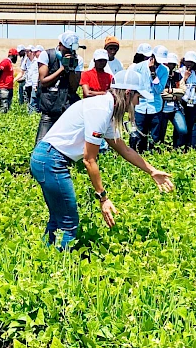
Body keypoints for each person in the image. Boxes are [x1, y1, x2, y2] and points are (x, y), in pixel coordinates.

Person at [30, 69, 174, 250]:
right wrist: (103, 197)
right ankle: (60, 266)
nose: (138, 103)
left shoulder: (107, 108)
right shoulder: (101, 110)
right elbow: (89, 160)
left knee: (58, 218)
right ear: (128, 93)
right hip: (51, 161)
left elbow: (124, 149)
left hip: (47, 158)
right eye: (138, 97)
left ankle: (44, 257)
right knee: (68, 223)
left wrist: (152, 170)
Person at [35, 32, 84, 143]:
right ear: (60, 44)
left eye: (72, 50)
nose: (70, 53)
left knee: (65, 142)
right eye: (66, 50)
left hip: (66, 107)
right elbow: (43, 81)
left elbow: (74, 87)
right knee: (41, 141)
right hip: (49, 107)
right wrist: (61, 69)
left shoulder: (78, 60)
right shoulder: (47, 55)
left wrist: (71, 68)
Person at [128, 44, 169, 152]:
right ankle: (135, 154)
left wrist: (153, 74)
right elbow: (133, 87)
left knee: (154, 136)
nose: (159, 62)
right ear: (153, 56)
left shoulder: (165, 70)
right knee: (138, 134)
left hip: (155, 107)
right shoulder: (138, 67)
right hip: (140, 106)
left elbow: (158, 90)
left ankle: (151, 155)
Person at [0, 48, 18, 113]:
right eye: (16, 56)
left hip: (9, 87)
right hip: (3, 87)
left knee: (7, 106)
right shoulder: (5, 62)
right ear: (14, 56)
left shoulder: (9, 63)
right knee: (4, 107)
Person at [27, 46, 43, 113]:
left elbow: (39, 74)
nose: (34, 53)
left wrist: (37, 84)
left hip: (37, 85)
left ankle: (32, 115)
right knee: (34, 101)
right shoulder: (34, 61)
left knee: (34, 102)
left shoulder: (40, 62)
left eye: (36, 52)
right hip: (34, 84)